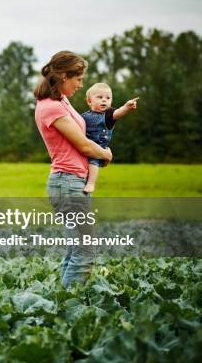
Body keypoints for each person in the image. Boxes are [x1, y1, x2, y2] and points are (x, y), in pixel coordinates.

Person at [33, 51, 112, 287]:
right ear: (64, 76)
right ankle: (68, 307)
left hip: (73, 182)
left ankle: (64, 303)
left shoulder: (60, 101)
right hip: (67, 183)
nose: (81, 84)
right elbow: (83, 144)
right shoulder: (51, 108)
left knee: (78, 247)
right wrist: (106, 154)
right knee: (86, 249)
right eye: (78, 79)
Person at [81, 83, 139, 193]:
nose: (104, 100)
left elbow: (118, 113)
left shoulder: (109, 114)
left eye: (108, 98)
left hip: (98, 146)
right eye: (100, 97)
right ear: (89, 101)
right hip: (85, 143)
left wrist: (126, 107)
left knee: (93, 161)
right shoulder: (84, 115)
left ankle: (91, 183)